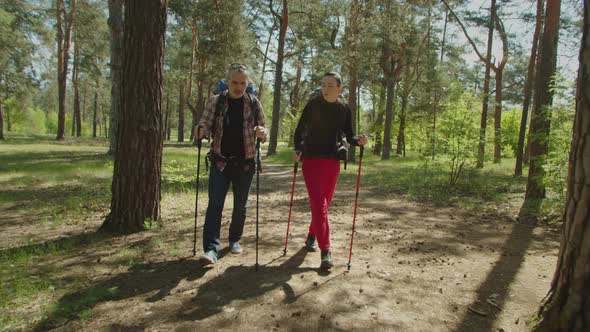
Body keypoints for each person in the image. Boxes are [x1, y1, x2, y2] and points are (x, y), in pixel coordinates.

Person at [293, 71, 368, 270]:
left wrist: (358, 141)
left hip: (332, 162)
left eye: (330, 85)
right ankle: (326, 250)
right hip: (311, 160)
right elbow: (299, 130)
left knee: (323, 204)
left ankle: (311, 235)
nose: (326, 89)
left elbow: (349, 135)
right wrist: (298, 148)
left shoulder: (344, 109)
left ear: (339, 88)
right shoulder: (313, 105)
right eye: (323, 85)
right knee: (320, 205)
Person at [195, 63, 267, 264]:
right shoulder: (215, 102)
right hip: (220, 162)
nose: (238, 86)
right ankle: (211, 249)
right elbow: (205, 124)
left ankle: (235, 239)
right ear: (227, 82)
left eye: (242, 82)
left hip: (246, 163)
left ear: (247, 82)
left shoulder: (254, 103)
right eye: (234, 82)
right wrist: (201, 131)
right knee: (215, 205)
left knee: (240, 206)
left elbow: (263, 128)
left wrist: (262, 133)